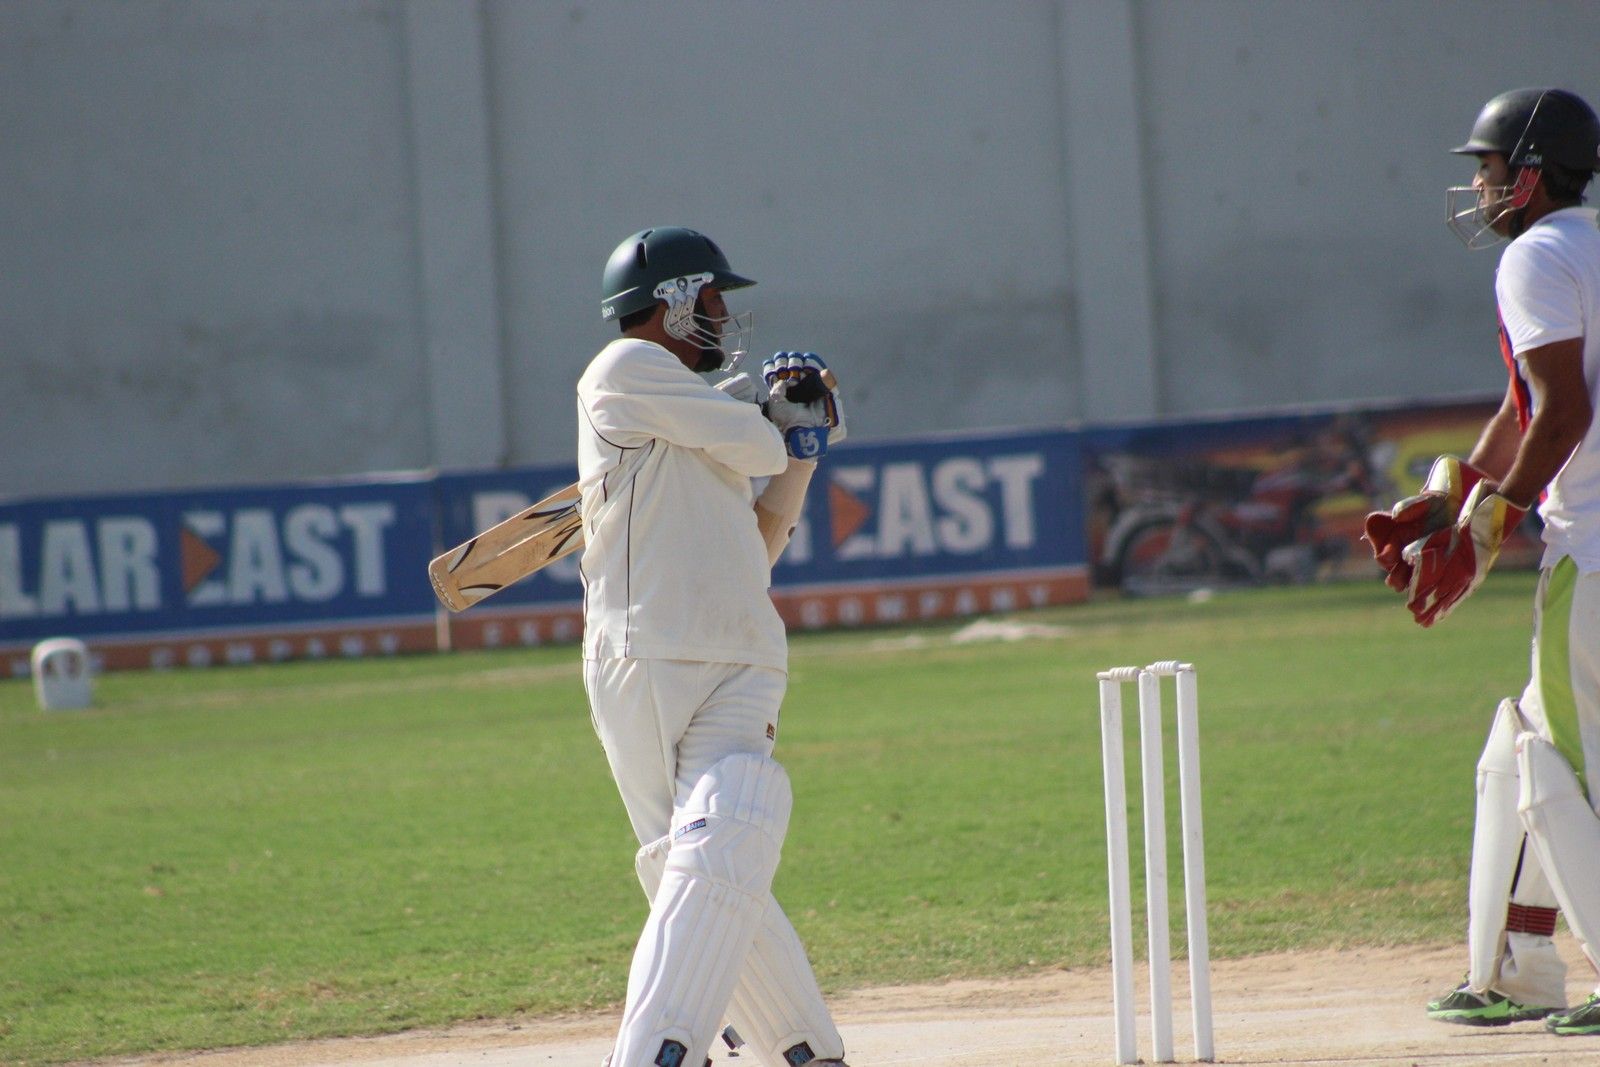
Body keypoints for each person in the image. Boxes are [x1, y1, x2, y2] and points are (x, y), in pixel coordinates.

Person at [577, 225, 851, 1067]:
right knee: (696, 860)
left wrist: (802, 458)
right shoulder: (622, 370)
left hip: (740, 652)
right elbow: (755, 441)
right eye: (711, 298)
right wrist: (778, 425)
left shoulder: (698, 418)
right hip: (648, 652)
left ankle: (680, 1050)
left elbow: (751, 551)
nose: (723, 316)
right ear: (669, 300)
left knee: (729, 832)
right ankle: (797, 1046)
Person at [1365, 87, 1600, 1035]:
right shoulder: (1589, 245)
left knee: (1568, 764)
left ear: (1531, 174)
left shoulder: (1535, 255)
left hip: (1592, 548)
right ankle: (1517, 967)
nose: (1482, 187)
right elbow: (1524, 406)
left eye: (1491, 169)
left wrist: (1489, 519)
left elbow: (1564, 411)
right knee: (1517, 755)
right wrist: (1455, 496)